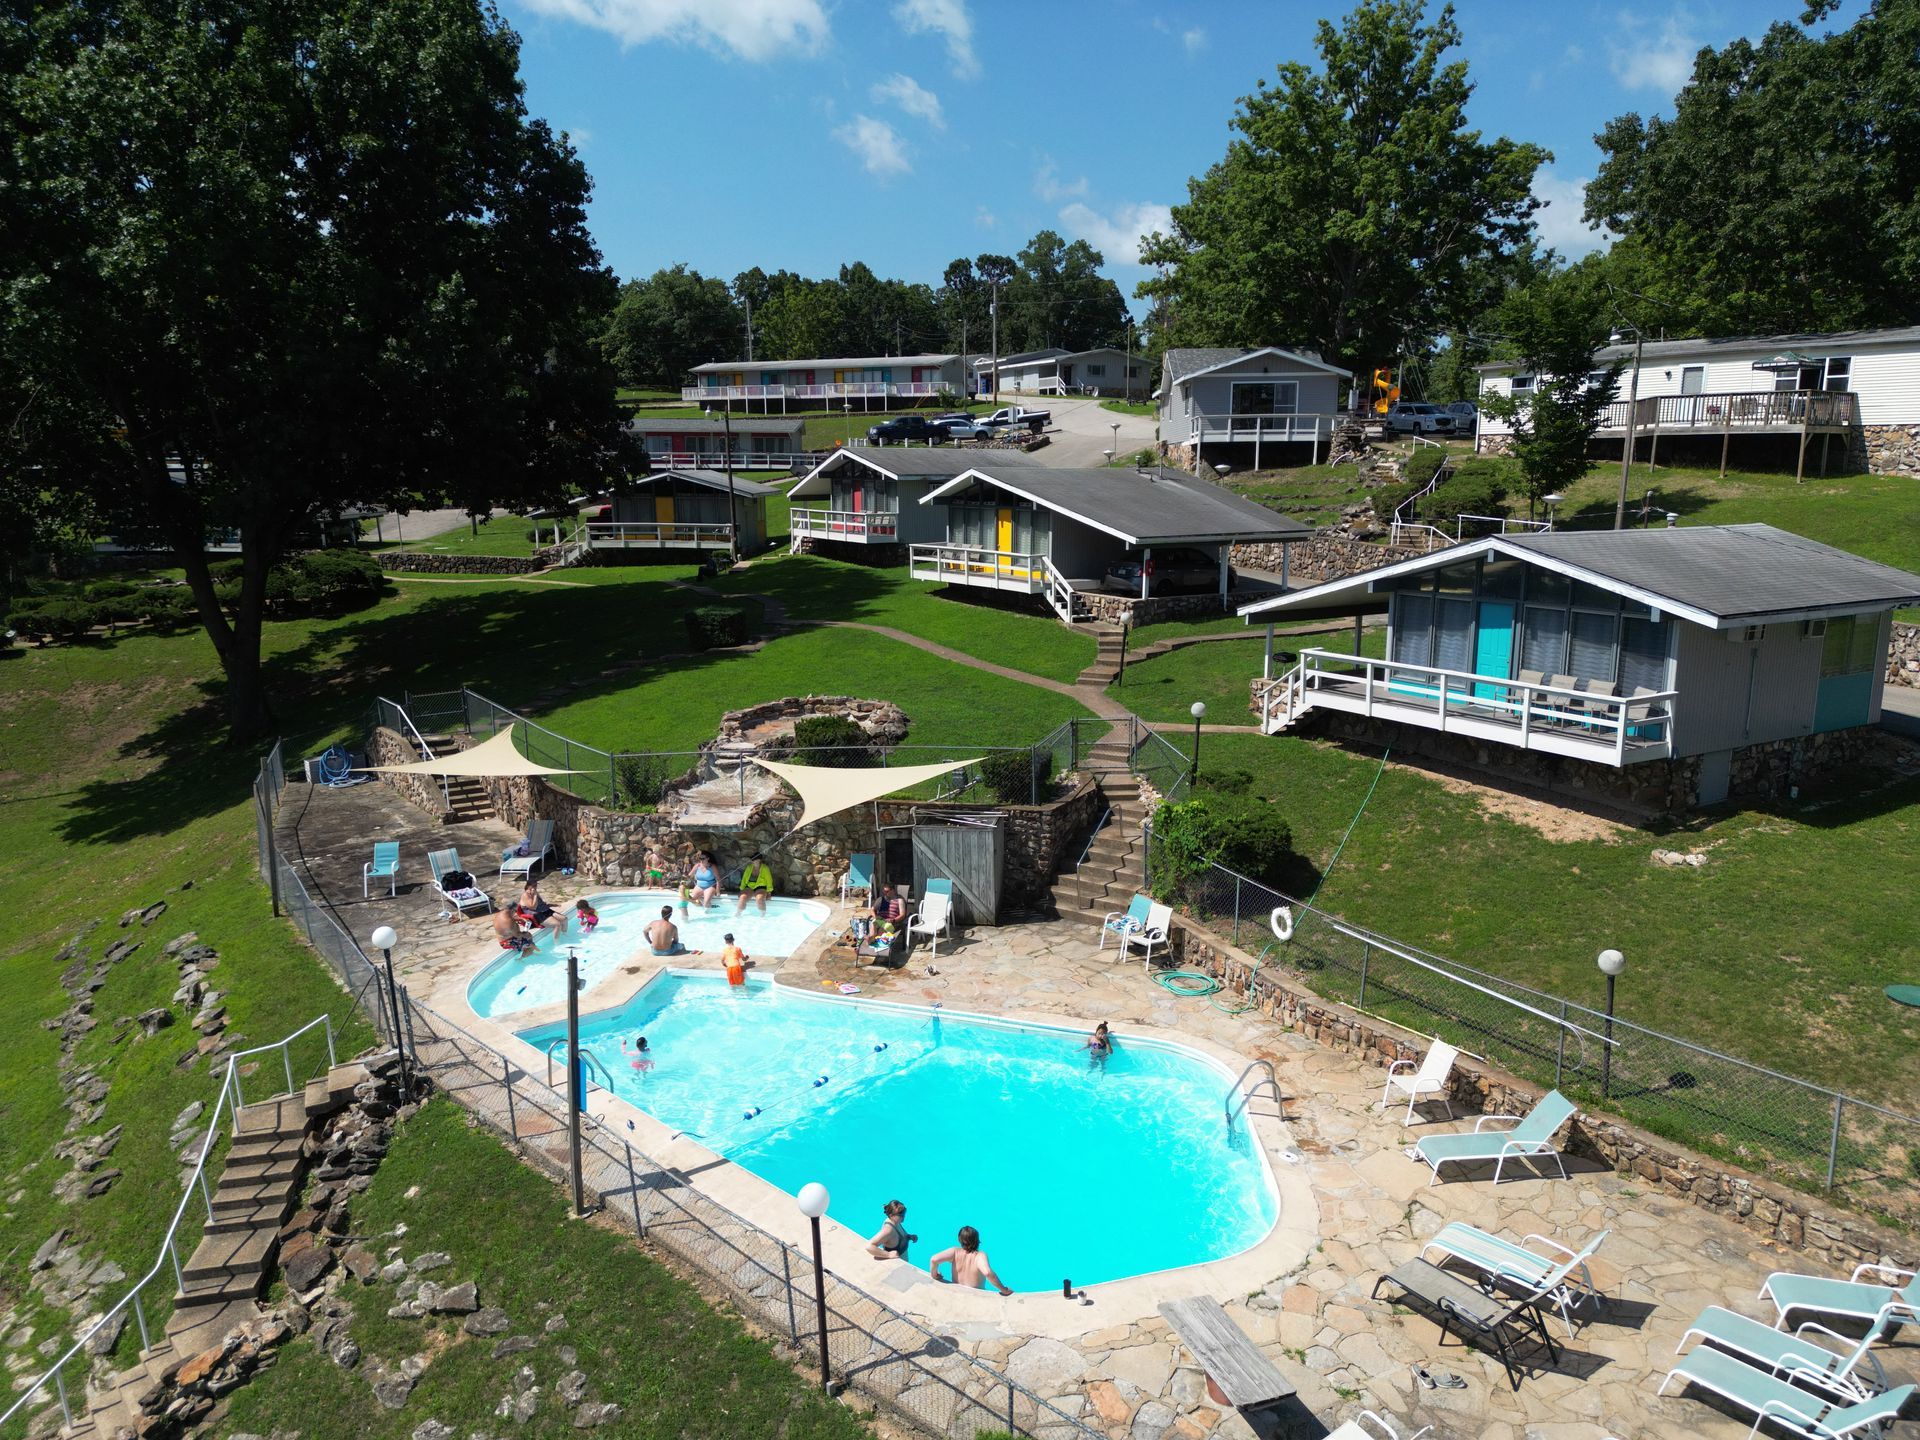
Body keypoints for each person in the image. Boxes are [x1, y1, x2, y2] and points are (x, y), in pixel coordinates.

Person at [928, 1226, 1011, 1295]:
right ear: (977, 1240)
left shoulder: (954, 1252)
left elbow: (934, 1260)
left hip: (956, 1294)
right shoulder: (979, 1256)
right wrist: (1004, 1289)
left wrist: (934, 1275)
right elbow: (988, 1273)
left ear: (959, 1240)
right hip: (974, 1296)